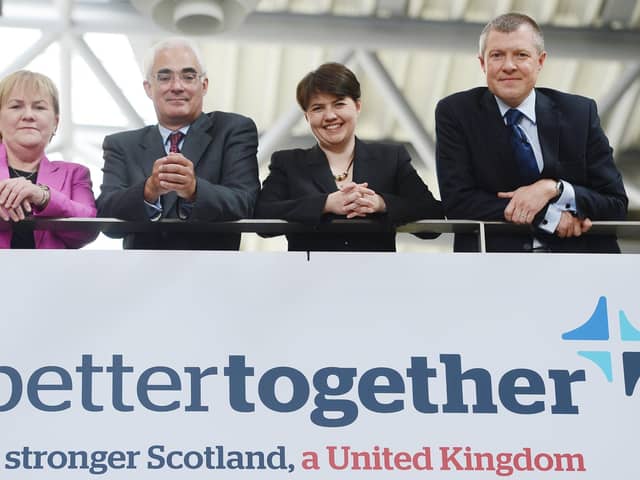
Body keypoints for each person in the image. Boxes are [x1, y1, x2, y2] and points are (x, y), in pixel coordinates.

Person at [435, 12, 628, 252]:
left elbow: (615, 203)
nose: (508, 66)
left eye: (521, 55)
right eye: (497, 55)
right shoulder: (456, 113)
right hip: (495, 266)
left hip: (581, 266)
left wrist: (554, 189)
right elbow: (458, 202)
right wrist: (549, 217)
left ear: (540, 61)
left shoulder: (579, 113)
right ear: (483, 63)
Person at [255, 62, 443, 251]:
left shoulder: (390, 158)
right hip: (310, 276)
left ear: (357, 106)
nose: (329, 116)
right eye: (318, 108)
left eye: (339, 104)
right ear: (307, 117)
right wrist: (325, 204)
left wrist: (382, 204)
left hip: (375, 276)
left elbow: (433, 220)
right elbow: (262, 216)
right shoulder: (289, 163)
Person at [96, 37, 259, 250]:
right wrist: (148, 190)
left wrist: (194, 190)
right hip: (141, 275)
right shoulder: (121, 145)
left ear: (204, 85)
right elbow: (106, 217)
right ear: (148, 88)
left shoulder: (232, 130)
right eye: (164, 78)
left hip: (215, 272)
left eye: (188, 77)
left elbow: (246, 203)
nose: (177, 86)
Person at [0, 70, 97, 249]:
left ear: (55, 123)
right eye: (16, 106)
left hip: (51, 275)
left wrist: (43, 196)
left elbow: (88, 229)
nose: (28, 115)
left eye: (39, 107)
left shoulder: (75, 174)